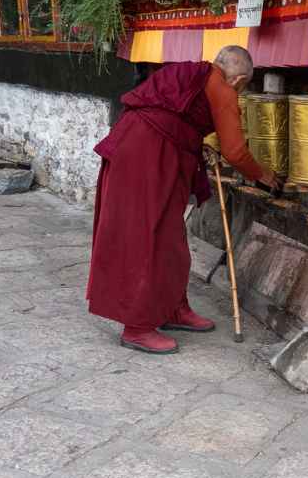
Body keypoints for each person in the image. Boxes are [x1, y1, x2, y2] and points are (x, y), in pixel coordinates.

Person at [87, 46, 279, 354]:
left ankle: (173, 308)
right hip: (146, 159)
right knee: (144, 237)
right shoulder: (223, 87)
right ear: (239, 78)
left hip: (146, 149)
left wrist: (195, 143)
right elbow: (235, 151)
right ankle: (136, 327)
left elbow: (175, 117)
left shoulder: (195, 72)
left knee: (170, 237)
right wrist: (262, 174)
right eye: (243, 88)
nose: (240, 93)